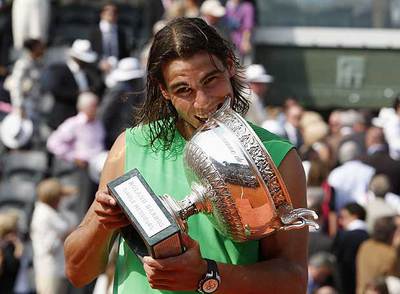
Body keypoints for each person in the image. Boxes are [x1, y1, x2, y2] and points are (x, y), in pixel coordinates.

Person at [65, 17, 309, 294]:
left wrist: (207, 276)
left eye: (211, 80)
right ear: (163, 91)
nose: (202, 102)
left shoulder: (278, 158)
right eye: (184, 90)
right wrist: (101, 223)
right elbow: (77, 272)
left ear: (230, 66)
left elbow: (293, 280)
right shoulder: (129, 147)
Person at [31, 178, 76, 294]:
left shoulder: (55, 211)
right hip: (49, 271)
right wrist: (66, 234)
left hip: (61, 268)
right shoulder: (42, 216)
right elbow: (48, 246)